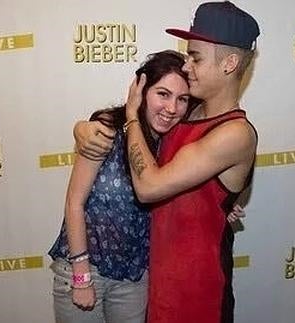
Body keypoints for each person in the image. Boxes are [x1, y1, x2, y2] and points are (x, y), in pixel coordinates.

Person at [74, 2, 260, 322]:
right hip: (156, 290)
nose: (187, 66)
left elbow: (148, 186)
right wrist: (84, 128)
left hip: (200, 296)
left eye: (196, 57)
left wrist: (131, 117)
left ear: (230, 63)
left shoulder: (235, 134)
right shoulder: (188, 113)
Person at [48, 50, 245, 323]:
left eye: (182, 99)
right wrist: (81, 275)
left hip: (135, 277)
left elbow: (182, 190)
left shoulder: (174, 144)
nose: (172, 108)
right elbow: (74, 202)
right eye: (162, 94)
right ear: (141, 91)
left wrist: (221, 204)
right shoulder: (106, 130)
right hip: (85, 270)